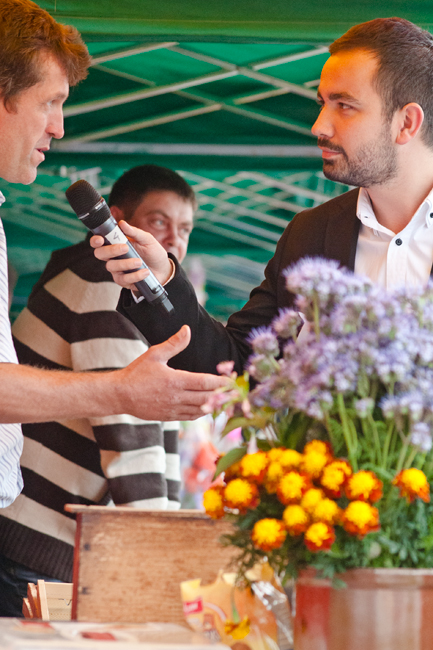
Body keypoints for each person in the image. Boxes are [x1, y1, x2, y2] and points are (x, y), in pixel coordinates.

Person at [92, 16, 433, 373]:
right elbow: (238, 363)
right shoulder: (311, 233)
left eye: (344, 105)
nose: (318, 125)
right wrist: (161, 278)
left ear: (406, 123)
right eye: (322, 103)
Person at [0, 0, 226, 525]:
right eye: (50, 102)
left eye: (184, 229)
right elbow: (133, 446)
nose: (59, 127)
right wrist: (121, 390)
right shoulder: (103, 279)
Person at [0, 165, 196, 616]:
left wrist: (165, 536)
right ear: (117, 220)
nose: (173, 239)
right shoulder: (108, 283)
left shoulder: (109, 283)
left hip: (32, 534)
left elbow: (153, 422)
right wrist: (162, 560)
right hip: (35, 542)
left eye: (185, 228)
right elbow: (129, 432)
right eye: (159, 221)